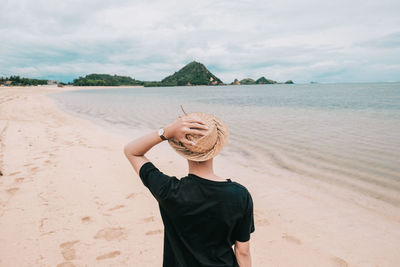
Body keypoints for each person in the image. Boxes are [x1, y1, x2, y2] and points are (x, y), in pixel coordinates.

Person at [124, 112, 255, 267]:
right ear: (216, 147)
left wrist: (166, 132)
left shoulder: (168, 191)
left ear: (182, 148)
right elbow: (242, 251)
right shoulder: (239, 195)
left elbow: (132, 151)